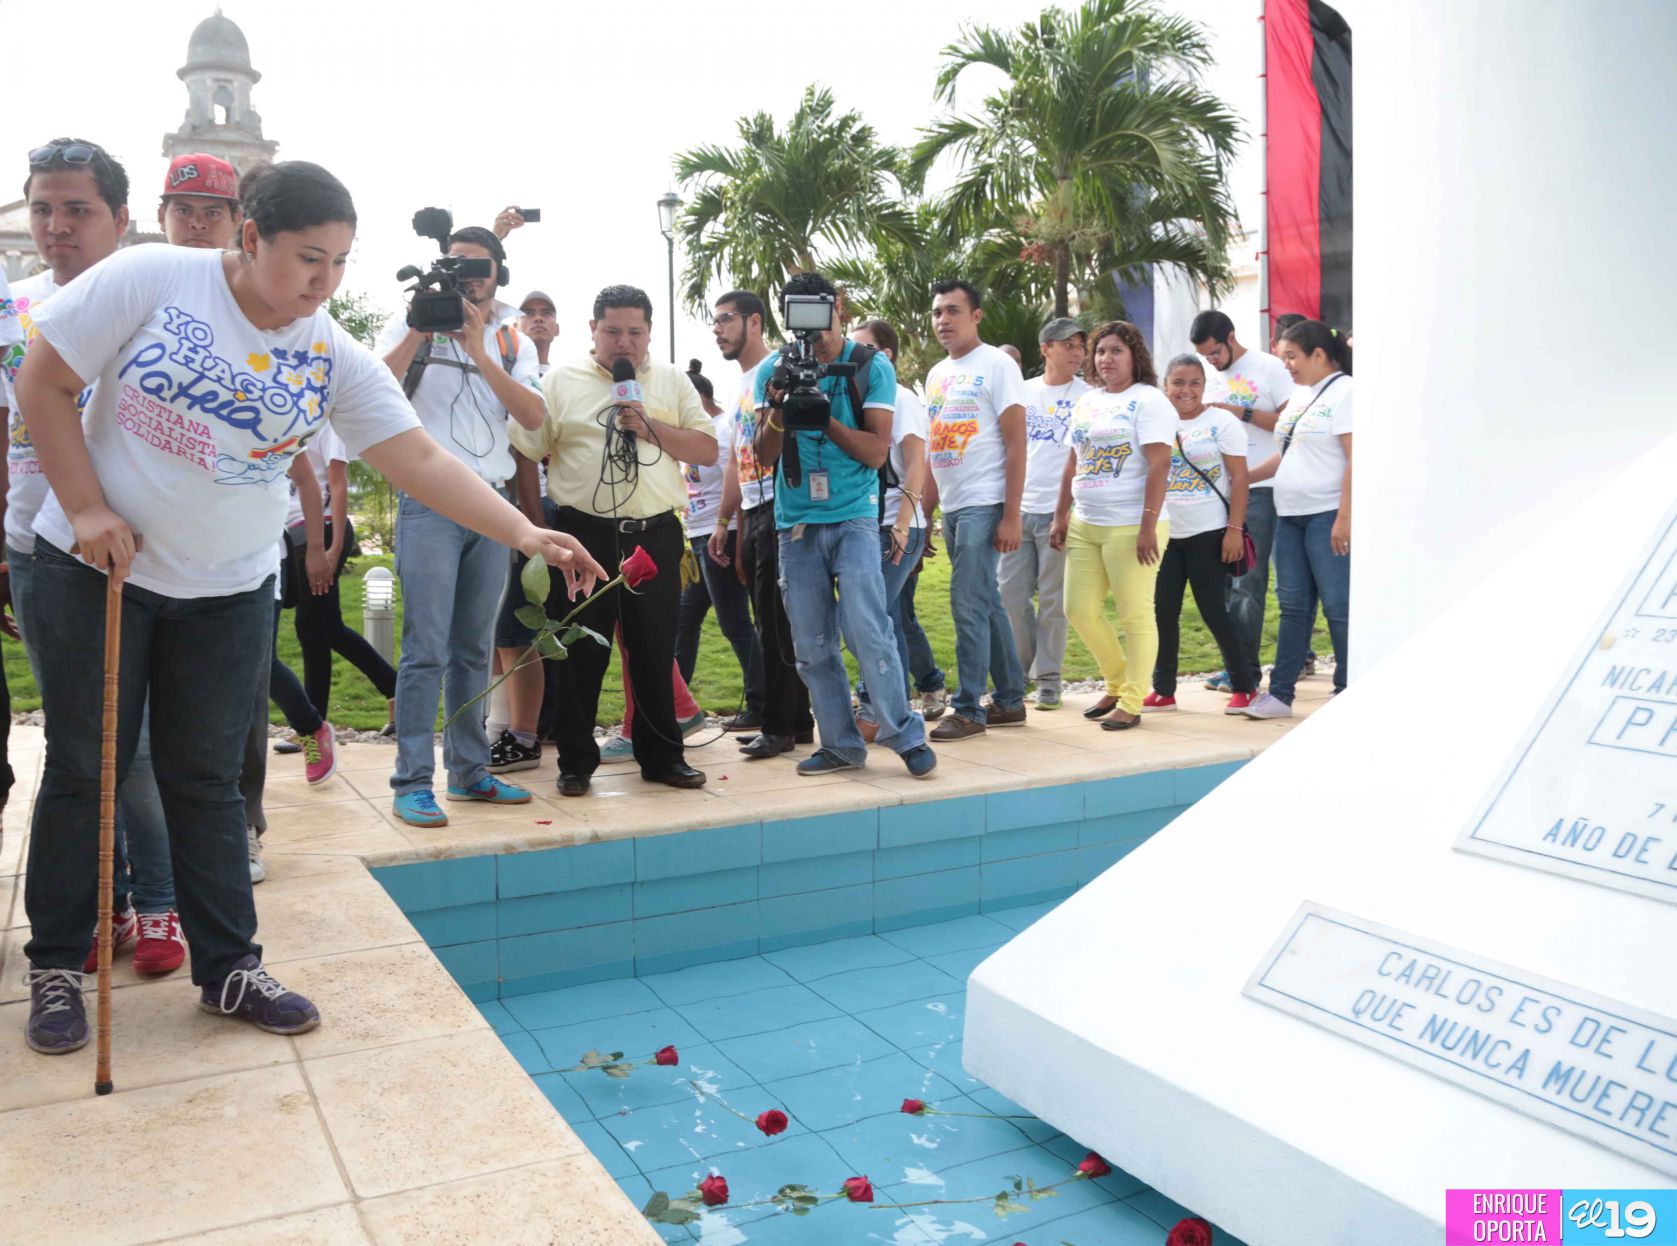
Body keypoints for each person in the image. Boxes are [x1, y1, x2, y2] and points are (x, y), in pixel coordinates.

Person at [14, 159, 604, 1055]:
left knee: (206, 780)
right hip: (98, 570)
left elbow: (419, 461)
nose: (321, 283)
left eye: (338, 263)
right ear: (250, 237)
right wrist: (89, 506)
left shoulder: (329, 350)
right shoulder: (150, 277)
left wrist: (526, 533)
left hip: (227, 590)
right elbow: (44, 384)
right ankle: (57, 965)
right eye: (305, 259)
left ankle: (229, 966)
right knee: (86, 769)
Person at [509, 284, 716, 795]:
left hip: (655, 534)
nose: (625, 343)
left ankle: (662, 756)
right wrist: (540, 535)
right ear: (593, 330)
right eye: (613, 331)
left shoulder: (669, 381)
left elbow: (707, 449)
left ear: (649, 332)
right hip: (583, 534)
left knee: (652, 649)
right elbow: (525, 451)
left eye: (635, 332)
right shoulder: (559, 382)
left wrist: (651, 428)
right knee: (581, 651)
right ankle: (576, 763)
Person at [377, 225, 547, 827]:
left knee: (474, 647)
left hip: (492, 504)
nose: (468, 277)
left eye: (479, 267)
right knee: (424, 648)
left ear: (499, 271)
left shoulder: (509, 337)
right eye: (457, 266)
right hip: (430, 503)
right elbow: (372, 388)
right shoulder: (412, 320)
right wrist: (422, 327)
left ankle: (471, 771)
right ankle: (412, 780)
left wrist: (479, 350)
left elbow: (532, 415)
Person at [753, 273, 934, 778]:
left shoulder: (869, 366)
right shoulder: (773, 368)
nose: (813, 328)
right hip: (796, 524)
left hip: (854, 516)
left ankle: (903, 733)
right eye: (797, 313)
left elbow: (878, 453)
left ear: (838, 307)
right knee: (810, 645)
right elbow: (763, 455)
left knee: (870, 631)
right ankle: (840, 744)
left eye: (819, 311)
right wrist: (779, 408)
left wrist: (824, 417)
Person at [1051, 321, 1173, 731]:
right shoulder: (1088, 402)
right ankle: (1118, 681)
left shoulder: (1149, 401)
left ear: (1135, 355)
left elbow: (1159, 463)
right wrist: (1060, 513)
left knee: (1135, 615)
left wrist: (1147, 526)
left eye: (1116, 350)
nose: (1106, 359)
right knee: (1078, 610)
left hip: (1131, 526)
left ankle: (1133, 699)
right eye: (1100, 351)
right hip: (1087, 522)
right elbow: (1074, 461)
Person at [922, 279, 1028, 740]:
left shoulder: (998, 365)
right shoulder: (935, 374)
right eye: (937, 312)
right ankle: (1009, 699)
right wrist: (924, 514)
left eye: (953, 311)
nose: (943, 320)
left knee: (967, 604)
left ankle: (968, 709)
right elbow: (932, 450)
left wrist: (1011, 513)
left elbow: (1016, 441)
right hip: (955, 505)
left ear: (977, 315)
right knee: (986, 603)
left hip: (987, 501)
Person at [708, 290, 812, 753]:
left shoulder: (776, 370)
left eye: (726, 320)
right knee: (768, 617)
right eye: (714, 322)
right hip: (752, 511)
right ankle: (794, 721)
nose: (718, 330)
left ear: (754, 321)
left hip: (781, 507)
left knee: (777, 620)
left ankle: (780, 727)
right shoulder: (739, 385)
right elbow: (735, 459)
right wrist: (723, 521)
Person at [1242, 320, 1354, 719]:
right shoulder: (1301, 395)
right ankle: (1280, 696)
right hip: (1288, 515)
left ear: (1319, 355)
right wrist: (1244, 478)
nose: (1285, 364)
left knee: (1338, 606)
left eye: (1291, 356)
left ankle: (1347, 689)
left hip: (1326, 516)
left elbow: (1354, 459)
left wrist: (1345, 516)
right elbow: (1287, 452)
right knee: (1292, 606)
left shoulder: (1346, 393)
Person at [1188, 309, 1295, 693]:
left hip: (1259, 488)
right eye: (1204, 356)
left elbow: (1291, 426)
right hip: (1214, 491)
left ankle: (1245, 671)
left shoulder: (1269, 369)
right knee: (1219, 584)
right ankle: (1233, 665)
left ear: (1231, 338)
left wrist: (1240, 412)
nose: (1211, 362)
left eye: (1215, 353)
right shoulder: (1206, 378)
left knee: (1248, 580)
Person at [1145, 355, 1258, 713]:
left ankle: (1244, 685)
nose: (1186, 390)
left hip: (1209, 532)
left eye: (1194, 383)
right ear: (1165, 386)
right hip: (1167, 534)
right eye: (1178, 382)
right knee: (1162, 612)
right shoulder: (1154, 423)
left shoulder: (1220, 422)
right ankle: (1163, 689)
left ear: (1204, 387)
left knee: (1214, 611)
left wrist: (1234, 530)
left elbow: (1240, 478)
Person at [485, 290, 564, 774]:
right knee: (495, 624)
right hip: (493, 506)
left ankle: (522, 733)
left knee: (522, 624)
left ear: (557, 326)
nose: (535, 321)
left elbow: (532, 447)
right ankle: (498, 729)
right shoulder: (503, 364)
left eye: (545, 314)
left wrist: (534, 524)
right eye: (527, 314)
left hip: (541, 510)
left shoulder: (557, 379)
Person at [848, 318, 932, 739]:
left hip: (897, 526)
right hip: (866, 524)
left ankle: (875, 710)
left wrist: (903, 526)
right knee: (883, 618)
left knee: (867, 617)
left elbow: (917, 463)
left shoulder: (901, 398)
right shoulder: (858, 397)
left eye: (863, 349)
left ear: (886, 355)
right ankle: (888, 706)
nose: (854, 357)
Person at [998, 317, 1088, 711]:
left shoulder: (1088, 397)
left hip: (1061, 512)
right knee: (1010, 596)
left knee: (1054, 599)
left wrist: (1064, 513)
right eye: (1069, 344)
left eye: (1080, 346)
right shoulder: (1022, 392)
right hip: (1019, 511)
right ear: (1046, 348)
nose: (1078, 352)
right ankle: (1020, 671)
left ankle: (1049, 679)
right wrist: (1007, 510)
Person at [674, 361, 763, 714]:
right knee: (685, 620)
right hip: (698, 537)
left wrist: (734, 538)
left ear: (697, 396)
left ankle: (761, 702)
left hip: (721, 536)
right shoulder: (693, 430)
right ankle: (676, 706)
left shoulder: (724, 426)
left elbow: (739, 480)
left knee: (735, 623)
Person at [157, 152, 239, 250]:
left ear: (236, 221)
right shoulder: (138, 263)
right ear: (162, 217)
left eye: (213, 213)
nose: (198, 224)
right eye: (183, 211)